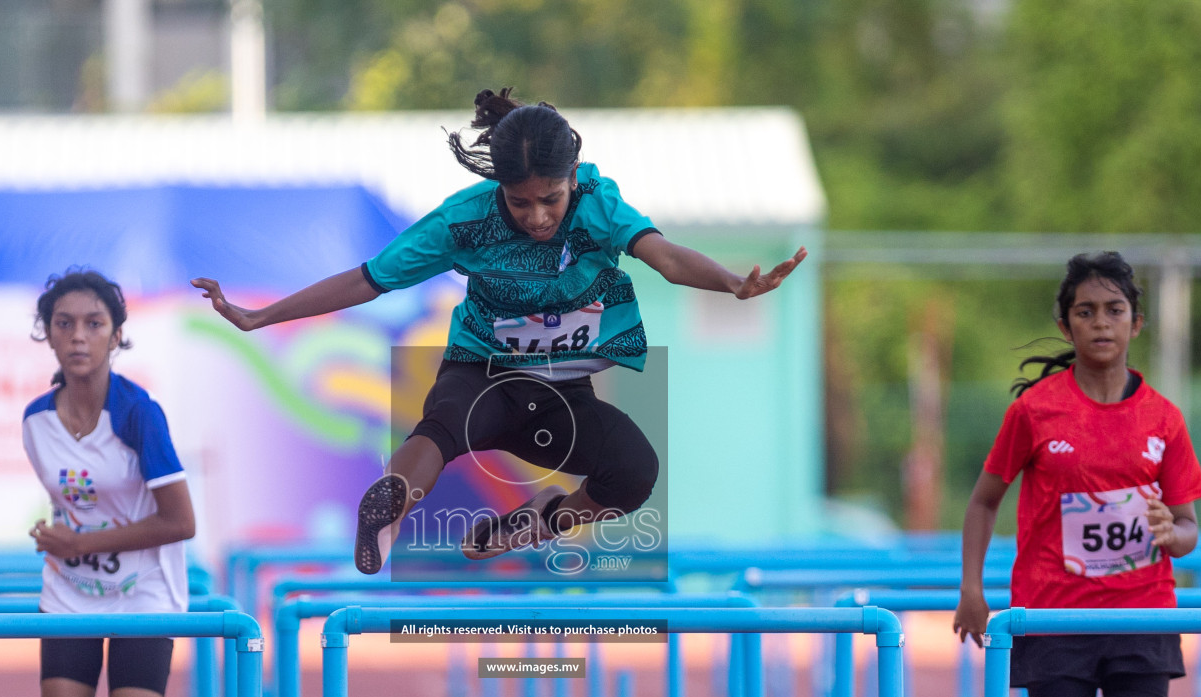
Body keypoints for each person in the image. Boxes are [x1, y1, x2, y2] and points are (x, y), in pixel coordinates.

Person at [191, 87, 808, 574]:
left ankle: (532, 524)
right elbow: (368, 279)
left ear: (573, 181)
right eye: (520, 203)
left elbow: (665, 257)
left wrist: (731, 283)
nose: (537, 217)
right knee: (442, 428)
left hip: (561, 393)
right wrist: (260, 315)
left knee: (634, 472)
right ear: (498, 189)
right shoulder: (464, 221)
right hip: (482, 371)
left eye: (551, 200)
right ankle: (388, 503)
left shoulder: (599, 205)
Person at [953, 252, 1201, 697]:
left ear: (1137, 323)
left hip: (1141, 615)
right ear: (1064, 321)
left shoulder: (1163, 418)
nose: (1101, 322)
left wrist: (1170, 533)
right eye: (1087, 311)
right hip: (1054, 617)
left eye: (1115, 310)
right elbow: (983, 502)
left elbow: (1188, 528)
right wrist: (973, 589)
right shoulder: (1035, 411)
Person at [21, 268, 203, 697]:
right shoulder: (35, 424)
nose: (78, 336)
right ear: (48, 334)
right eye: (64, 323)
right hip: (69, 595)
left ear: (117, 336)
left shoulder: (137, 414)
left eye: (93, 323)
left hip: (146, 597)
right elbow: (71, 507)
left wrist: (82, 540)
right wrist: (59, 541)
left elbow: (180, 520)